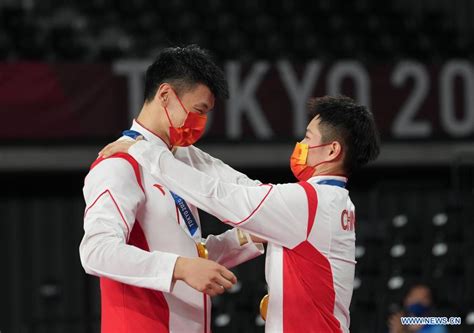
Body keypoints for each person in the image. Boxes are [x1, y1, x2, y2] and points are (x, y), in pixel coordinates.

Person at [99, 95, 381, 332]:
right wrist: (182, 154)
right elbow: (242, 187)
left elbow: (223, 197)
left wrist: (146, 152)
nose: (301, 146)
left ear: (332, 150)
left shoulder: (309, 201)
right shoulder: (333, 202)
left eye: (308, 138)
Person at [79, 45, 265, 333]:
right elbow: (96, 251)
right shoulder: (118, 163)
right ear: (165, 95)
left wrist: (245, 238)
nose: (201, 123)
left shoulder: (185, 158)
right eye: (197, 111)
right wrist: (181, 268)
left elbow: (188, 252)